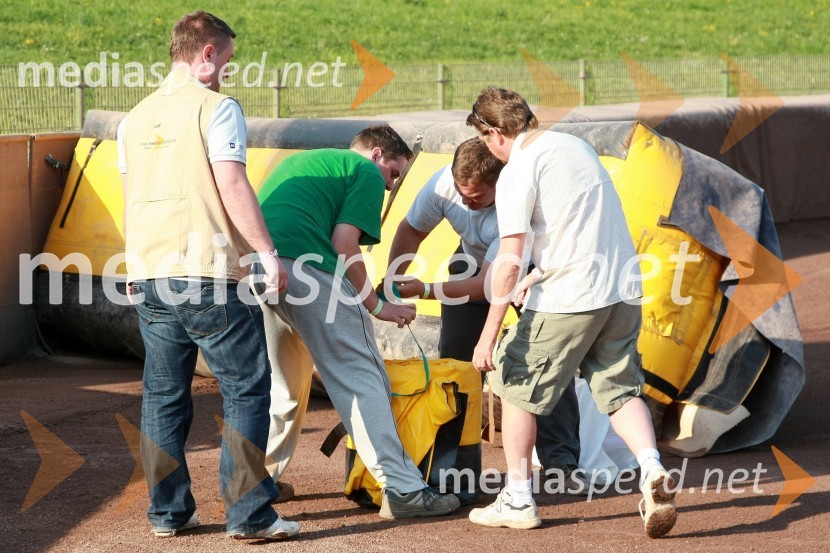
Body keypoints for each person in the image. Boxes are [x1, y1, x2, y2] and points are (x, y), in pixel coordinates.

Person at [117, 11, 299, 540]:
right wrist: (266, 251)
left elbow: (134, 200)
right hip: (207, 273)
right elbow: (232, 184)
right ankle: (249, 515)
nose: (225, 72)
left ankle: (168, 514)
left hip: (151, 273)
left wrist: (134, 261)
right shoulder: (217, 108)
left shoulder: (134, 118)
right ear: (205, 54)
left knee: (162, 393)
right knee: (246, 386)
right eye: (225, 60)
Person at [465, 87, 678, 538]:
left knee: (514, 384)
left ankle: (519, 496)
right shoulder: (575, 145)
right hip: (620, 288)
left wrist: (487, 337)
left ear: (495, 132)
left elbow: (508, 257)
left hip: (571, 296)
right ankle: (652, 468)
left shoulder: (517, 171)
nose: (488, 149)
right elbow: (579, 224)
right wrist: (536, 274)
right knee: (619, 390)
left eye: (485, 139)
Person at [256, 124, 461, 519]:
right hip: (306, 270)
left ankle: (260, 480)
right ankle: (403, 489)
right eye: (395, 173)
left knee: (285, 386)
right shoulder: (364, 171)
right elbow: (344, 246)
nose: (391, 185)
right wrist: (375, 305)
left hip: (261, 271)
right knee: (362, 376)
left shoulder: (307, 161)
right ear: (377, 155)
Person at [384, 138, 588, 494]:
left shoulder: (515, 201)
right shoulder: (442, 185)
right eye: (461, 194)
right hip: (473, 259)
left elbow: (492, 285)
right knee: (456, 363)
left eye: (475, 197)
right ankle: (455, 464)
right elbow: (411, 230)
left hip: (532, 268)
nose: (465, 203)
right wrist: (393, 281)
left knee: (543, 360)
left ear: (500, 183)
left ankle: (562, 463)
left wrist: (427, 289)